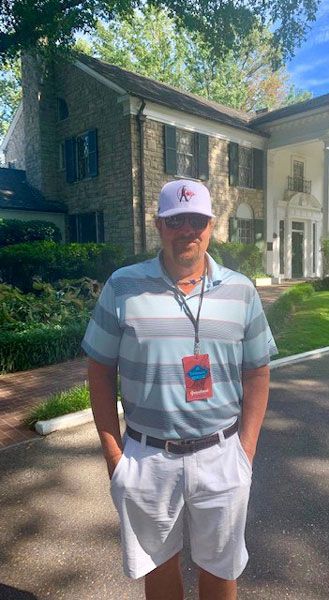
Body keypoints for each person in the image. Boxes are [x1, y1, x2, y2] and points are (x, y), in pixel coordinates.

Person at [83, 179, 277, 600]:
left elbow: (257, 373)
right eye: (175, 220)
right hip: (147, 456)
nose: (187, 229)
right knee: (158, 565)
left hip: (222, 454)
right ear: (159, 225)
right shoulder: (123, 286)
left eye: (196, 220)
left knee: (221, 566)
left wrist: (245, 450)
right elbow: (99, 372)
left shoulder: (241, 290)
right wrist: (114, 455)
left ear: (211, 225)